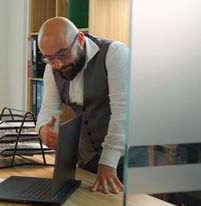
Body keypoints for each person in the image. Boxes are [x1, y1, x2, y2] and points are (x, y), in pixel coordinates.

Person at [36, 17, 146, 194]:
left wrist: (107, 163)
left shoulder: (115, 53)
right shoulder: (53, 68)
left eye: (63, 54)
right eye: (50, 58)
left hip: (126, 162)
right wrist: (44, 130)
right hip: (87, 163)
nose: (59, 64)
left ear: (79, 40)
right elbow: (48, 109)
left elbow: (123, 113)